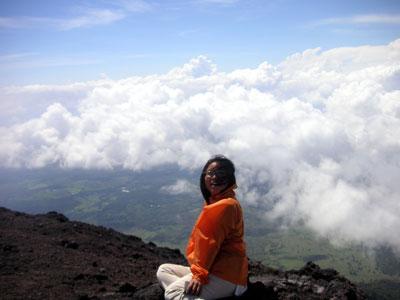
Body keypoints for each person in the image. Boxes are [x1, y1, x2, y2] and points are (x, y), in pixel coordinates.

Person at [157, 155, 248, 300]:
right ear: (204, 177)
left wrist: (199, 277)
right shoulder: (219, 201)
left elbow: (209, 243)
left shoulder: (225, 206)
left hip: (227, 275)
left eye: (220, 174)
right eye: (210, 173)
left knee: (172, 293)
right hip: (215, 269)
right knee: (164, 270)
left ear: (230, 178)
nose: (214, 177)